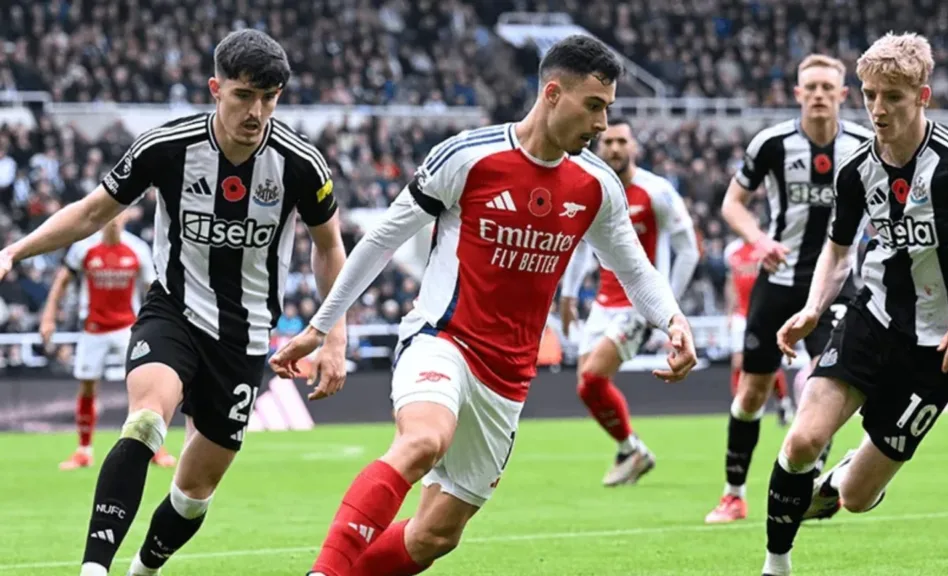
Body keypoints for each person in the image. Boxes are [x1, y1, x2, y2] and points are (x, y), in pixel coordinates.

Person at [269, 35, 698, 576]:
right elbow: (380, 240)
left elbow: (636, 270)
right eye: (594, 105)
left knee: (435, 535)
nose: (601, 124)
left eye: (608, 109)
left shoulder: (596, 187)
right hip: (442, 339)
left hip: (509, 376)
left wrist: (673, 320)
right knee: (424, 439)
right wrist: (322, 325)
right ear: (551, 93)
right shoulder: (468, 156)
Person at [0, 29, 347, 576]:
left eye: (270, 97)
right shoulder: (165, 148)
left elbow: (329, 250)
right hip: (175, 313)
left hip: (246, 338)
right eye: (243, 95)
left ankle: (144, 570)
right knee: (144, 421)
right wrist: (15, 251)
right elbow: (91, 212)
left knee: (193, 493)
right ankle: (93, 570)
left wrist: (335, 337)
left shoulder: (301, 164)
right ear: (216, 88)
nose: (257, 111)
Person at [764, 32, 948, 576]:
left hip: (941, 346)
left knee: (856, 498)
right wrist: (814, 307)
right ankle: (775, 564)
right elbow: (837, 251)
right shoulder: (856, 170)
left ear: (922, 96)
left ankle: (838, 483)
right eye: (868, 95)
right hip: (872, 315)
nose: (878, 109)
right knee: (804, 437)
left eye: (893, 97)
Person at [708, 53, 874, 525]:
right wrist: (758, 239)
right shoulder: (772, 144)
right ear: (798, 94)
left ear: (843, 95)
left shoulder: (865, 145)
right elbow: (732, 203)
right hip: (778, 284)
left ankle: (809, 479)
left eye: (828, 87)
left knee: (829, 377)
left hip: (838, 285)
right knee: (754, 390)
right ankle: (733, 493)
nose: (819, 95)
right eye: (811, 88)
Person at [557, 117, 699, 486]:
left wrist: (669, 311)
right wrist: (569, 294)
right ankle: (630, 449)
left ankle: (631, 449)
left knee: (591, 379)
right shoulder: (592, 188)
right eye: (608, 142)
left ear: (634, 146)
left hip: (638, 304)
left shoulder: (658, 192)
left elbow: (689, 252)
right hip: (603, 304)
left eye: (622, 141)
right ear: (598, 147)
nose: (615, 148)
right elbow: (579, 246)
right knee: (585, 387)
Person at [39, 213, 177, 470]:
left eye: (118, 215)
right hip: (93, 328)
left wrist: (158, 325)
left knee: (145, 388)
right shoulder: (84, 248)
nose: (113, 220)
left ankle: (155, 447)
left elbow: (151, 290)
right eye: (110, 215)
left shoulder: (137, 248)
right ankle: (84, 451)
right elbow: (62, 281)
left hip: (129, 327)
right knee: (87, 386)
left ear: (125, 217)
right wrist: (48, 317)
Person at [723, 238, 795, 427]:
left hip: (763, 311)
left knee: (767, 361)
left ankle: (782, 401)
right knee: (738, 361)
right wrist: (730, 312)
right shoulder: (732, 250)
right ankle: (740, 407)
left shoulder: (766, 246)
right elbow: (731, 282)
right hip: (741, 315)